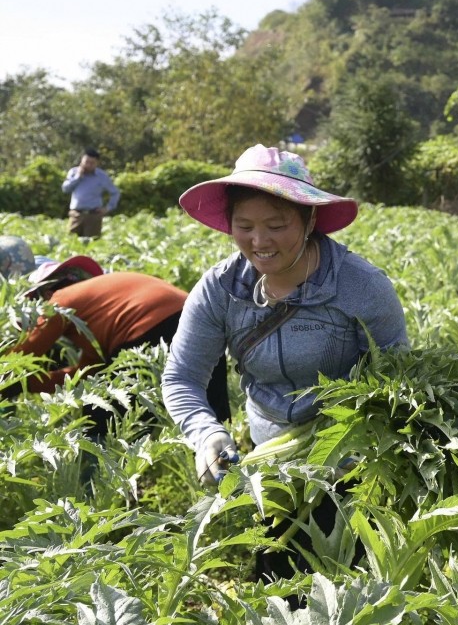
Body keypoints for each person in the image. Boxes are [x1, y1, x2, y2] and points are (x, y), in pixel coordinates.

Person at [161, 143, 408, 579]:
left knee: (347, 583)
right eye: (245, 226)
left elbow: (398, 377)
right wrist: (206, 434)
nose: (260, 241)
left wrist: (361, 438)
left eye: (277, 225)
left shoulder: (361, 286)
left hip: (352, 461)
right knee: (277, 582)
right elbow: (182, 376)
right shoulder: (220, 289)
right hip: (270, 457)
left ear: (310, 220)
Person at [6, 256, 231, 435]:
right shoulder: (102, 302)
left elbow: (18, 359)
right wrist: (31, 384)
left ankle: (90, 487)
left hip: (147, 328)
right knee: (213, 414)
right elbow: (87, 372)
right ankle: (231, 483)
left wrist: (12, 382)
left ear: (43, 293)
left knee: (100, 416)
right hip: (199, 318)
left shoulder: (59, 301)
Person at [62, 148, 120, 238]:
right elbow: (65, 189)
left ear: (97, 163)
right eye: (86, 162)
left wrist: (108, 208)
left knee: (91, 246)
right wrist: (78, 177)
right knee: (70, 243)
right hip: (76, 215)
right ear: (82, 160)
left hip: (93, 216)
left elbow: (115, 192)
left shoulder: (102, 176)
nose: (88, 165)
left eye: (92, 163)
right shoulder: (73, 172)